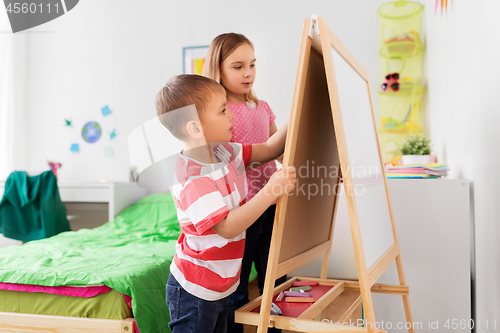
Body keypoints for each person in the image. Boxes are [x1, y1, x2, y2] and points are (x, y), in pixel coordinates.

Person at [155, 74, 296, 333]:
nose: (231, 114)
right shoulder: (192, 177)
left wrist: (298, 107)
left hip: (220, 285)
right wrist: (271, 190)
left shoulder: (225, 151)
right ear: (195, 128)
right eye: (222, 111)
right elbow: (228, 227)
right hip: (195, 290)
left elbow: (270, 148)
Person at [203, 33, 286, 332]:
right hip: (241, 213)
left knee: (275, 285)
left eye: (252, 64)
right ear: (219, 69)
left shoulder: (263, 108)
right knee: (237, 292)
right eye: (238, 66)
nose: (248, 72)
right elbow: (230, 159)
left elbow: (280, 148)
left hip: (273, 206)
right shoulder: (217, 116)